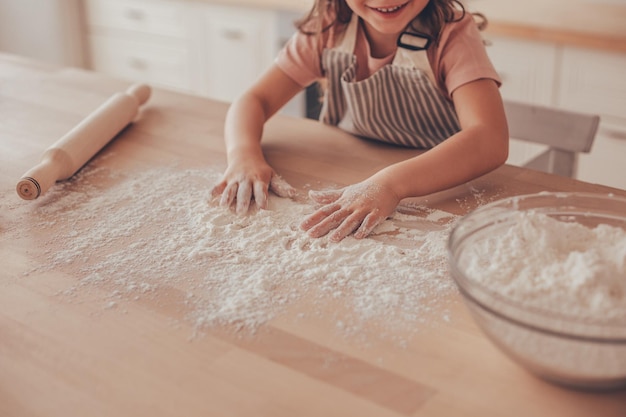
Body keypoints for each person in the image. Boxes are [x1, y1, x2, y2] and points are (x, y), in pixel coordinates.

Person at [211, 0, 509, 242]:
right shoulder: (329, 27)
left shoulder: (450, 34)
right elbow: (254, 100)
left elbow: (489, 139)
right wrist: (243, 154)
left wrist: (390, 185)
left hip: (436, 197)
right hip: (347, 174)